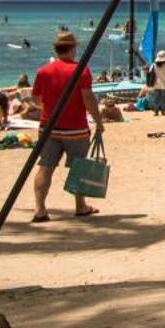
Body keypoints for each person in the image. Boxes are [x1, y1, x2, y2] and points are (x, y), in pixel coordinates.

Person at [30, 29, 105, 223]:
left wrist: (51, 107)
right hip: (76, 128)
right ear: (72, 49)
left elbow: (36, 99)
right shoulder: (81, 70)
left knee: (45, 167)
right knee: (78, 168)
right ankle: (80, 206)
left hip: (49, 127)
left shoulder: (43, 71)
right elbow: (88, 98)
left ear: (56, 49)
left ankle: (40, 209)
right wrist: (98, 121)